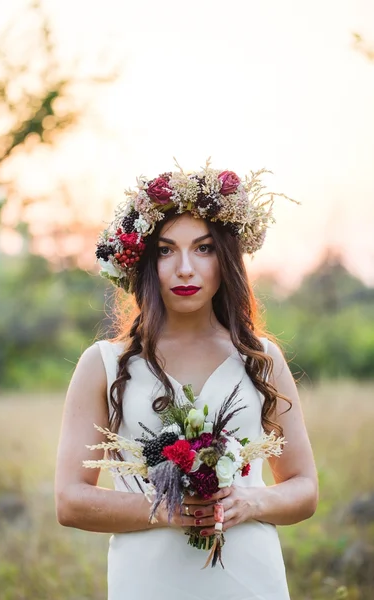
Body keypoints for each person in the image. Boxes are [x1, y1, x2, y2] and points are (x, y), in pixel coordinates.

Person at [55, 162, 318, 600]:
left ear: (226, 257)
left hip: (249, 580)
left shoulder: (261, 358)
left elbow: (304, 489)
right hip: (148, 582)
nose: (184, 269)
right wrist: (170, 510)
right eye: (164, 250)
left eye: (203, 248)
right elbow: (70, 501)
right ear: (144, 261)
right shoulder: (103, 364)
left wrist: (249, 501)